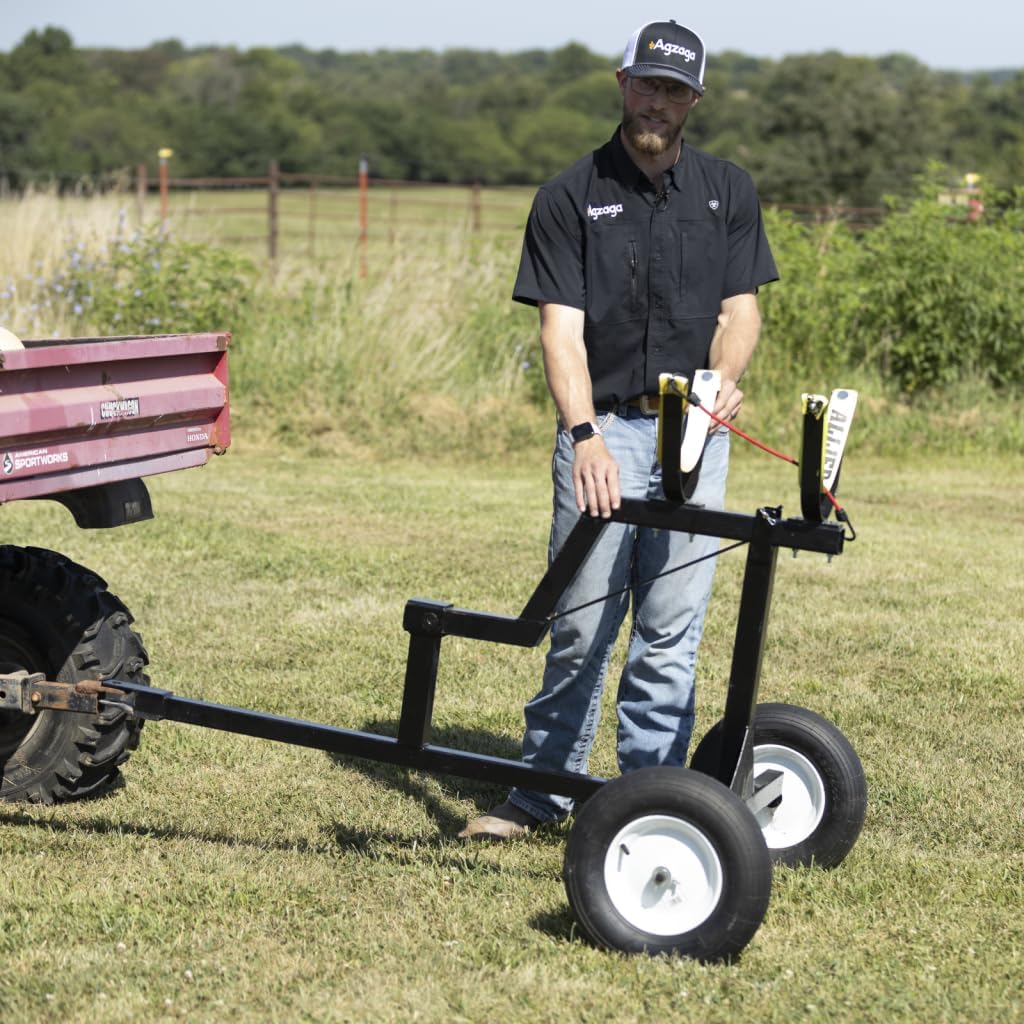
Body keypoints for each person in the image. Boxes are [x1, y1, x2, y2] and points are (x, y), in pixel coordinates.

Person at [460, 18, 778, 840]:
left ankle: (654, 801)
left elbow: (740, 311)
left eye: (676, 91)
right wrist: (585, 435)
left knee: (671, 630)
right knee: (579, 626)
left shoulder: (727, 191)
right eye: (648, 85)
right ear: (622, 83)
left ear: (695, 100)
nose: (659, 104)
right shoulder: (569, 196)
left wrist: (723, 384)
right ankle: (540, 793)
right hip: (603, 431)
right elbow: (559, 332)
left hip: (693, 436)